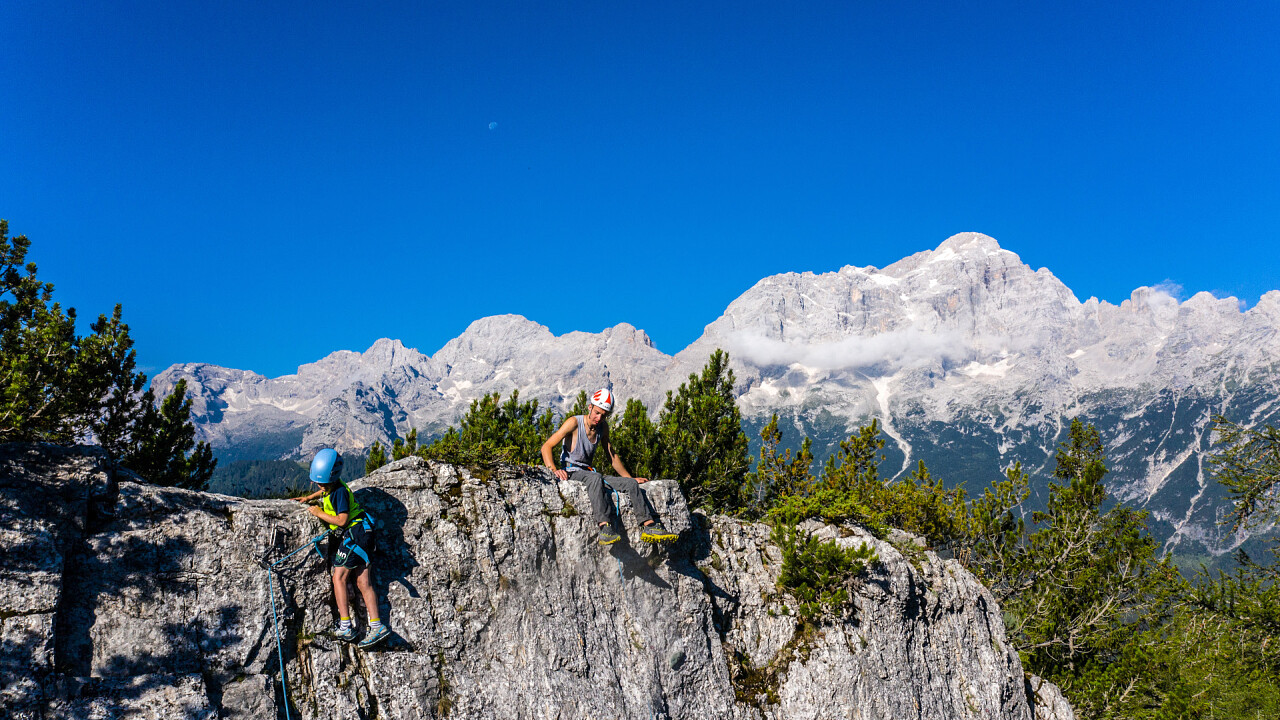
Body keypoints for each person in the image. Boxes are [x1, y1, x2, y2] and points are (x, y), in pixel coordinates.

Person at [541, 388, 678, 545]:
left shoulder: (602, 428)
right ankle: (604, 527)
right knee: (595, 478)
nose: (599, 418)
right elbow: (547, 446)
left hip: (589, 473)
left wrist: (630, 478)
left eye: (604, 415)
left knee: (631, 484)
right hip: (571, 472)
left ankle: (649, 525)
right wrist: (554, 470)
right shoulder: (574, 423)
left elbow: (611, 455)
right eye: (597, 412)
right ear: (589, 407)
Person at [295, 449, 389, 649]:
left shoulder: (338, 493)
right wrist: (309, 497)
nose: (320, 486)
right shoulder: (334, 486)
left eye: (322, 483)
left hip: (354, 534)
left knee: (339, 578)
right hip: (364, 532)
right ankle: (377, 625)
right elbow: (324, 491)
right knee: (364, 582)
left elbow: (342, 520)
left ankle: (345, 625)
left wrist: (319, 512)